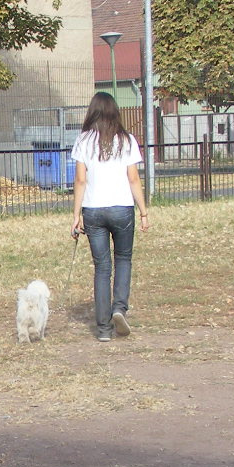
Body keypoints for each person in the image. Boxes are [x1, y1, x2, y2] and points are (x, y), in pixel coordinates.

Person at [69, 91, 149, 341]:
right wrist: (144, 211)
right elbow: (133, 178)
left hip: (93, 210)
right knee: (123, 260)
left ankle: (103, 329)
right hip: (122, 208)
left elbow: (81, 180)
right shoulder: (126, 140)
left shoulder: (83, 140)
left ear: (92, 112)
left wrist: (76, 215)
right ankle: (119, 308)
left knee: (102, 268)